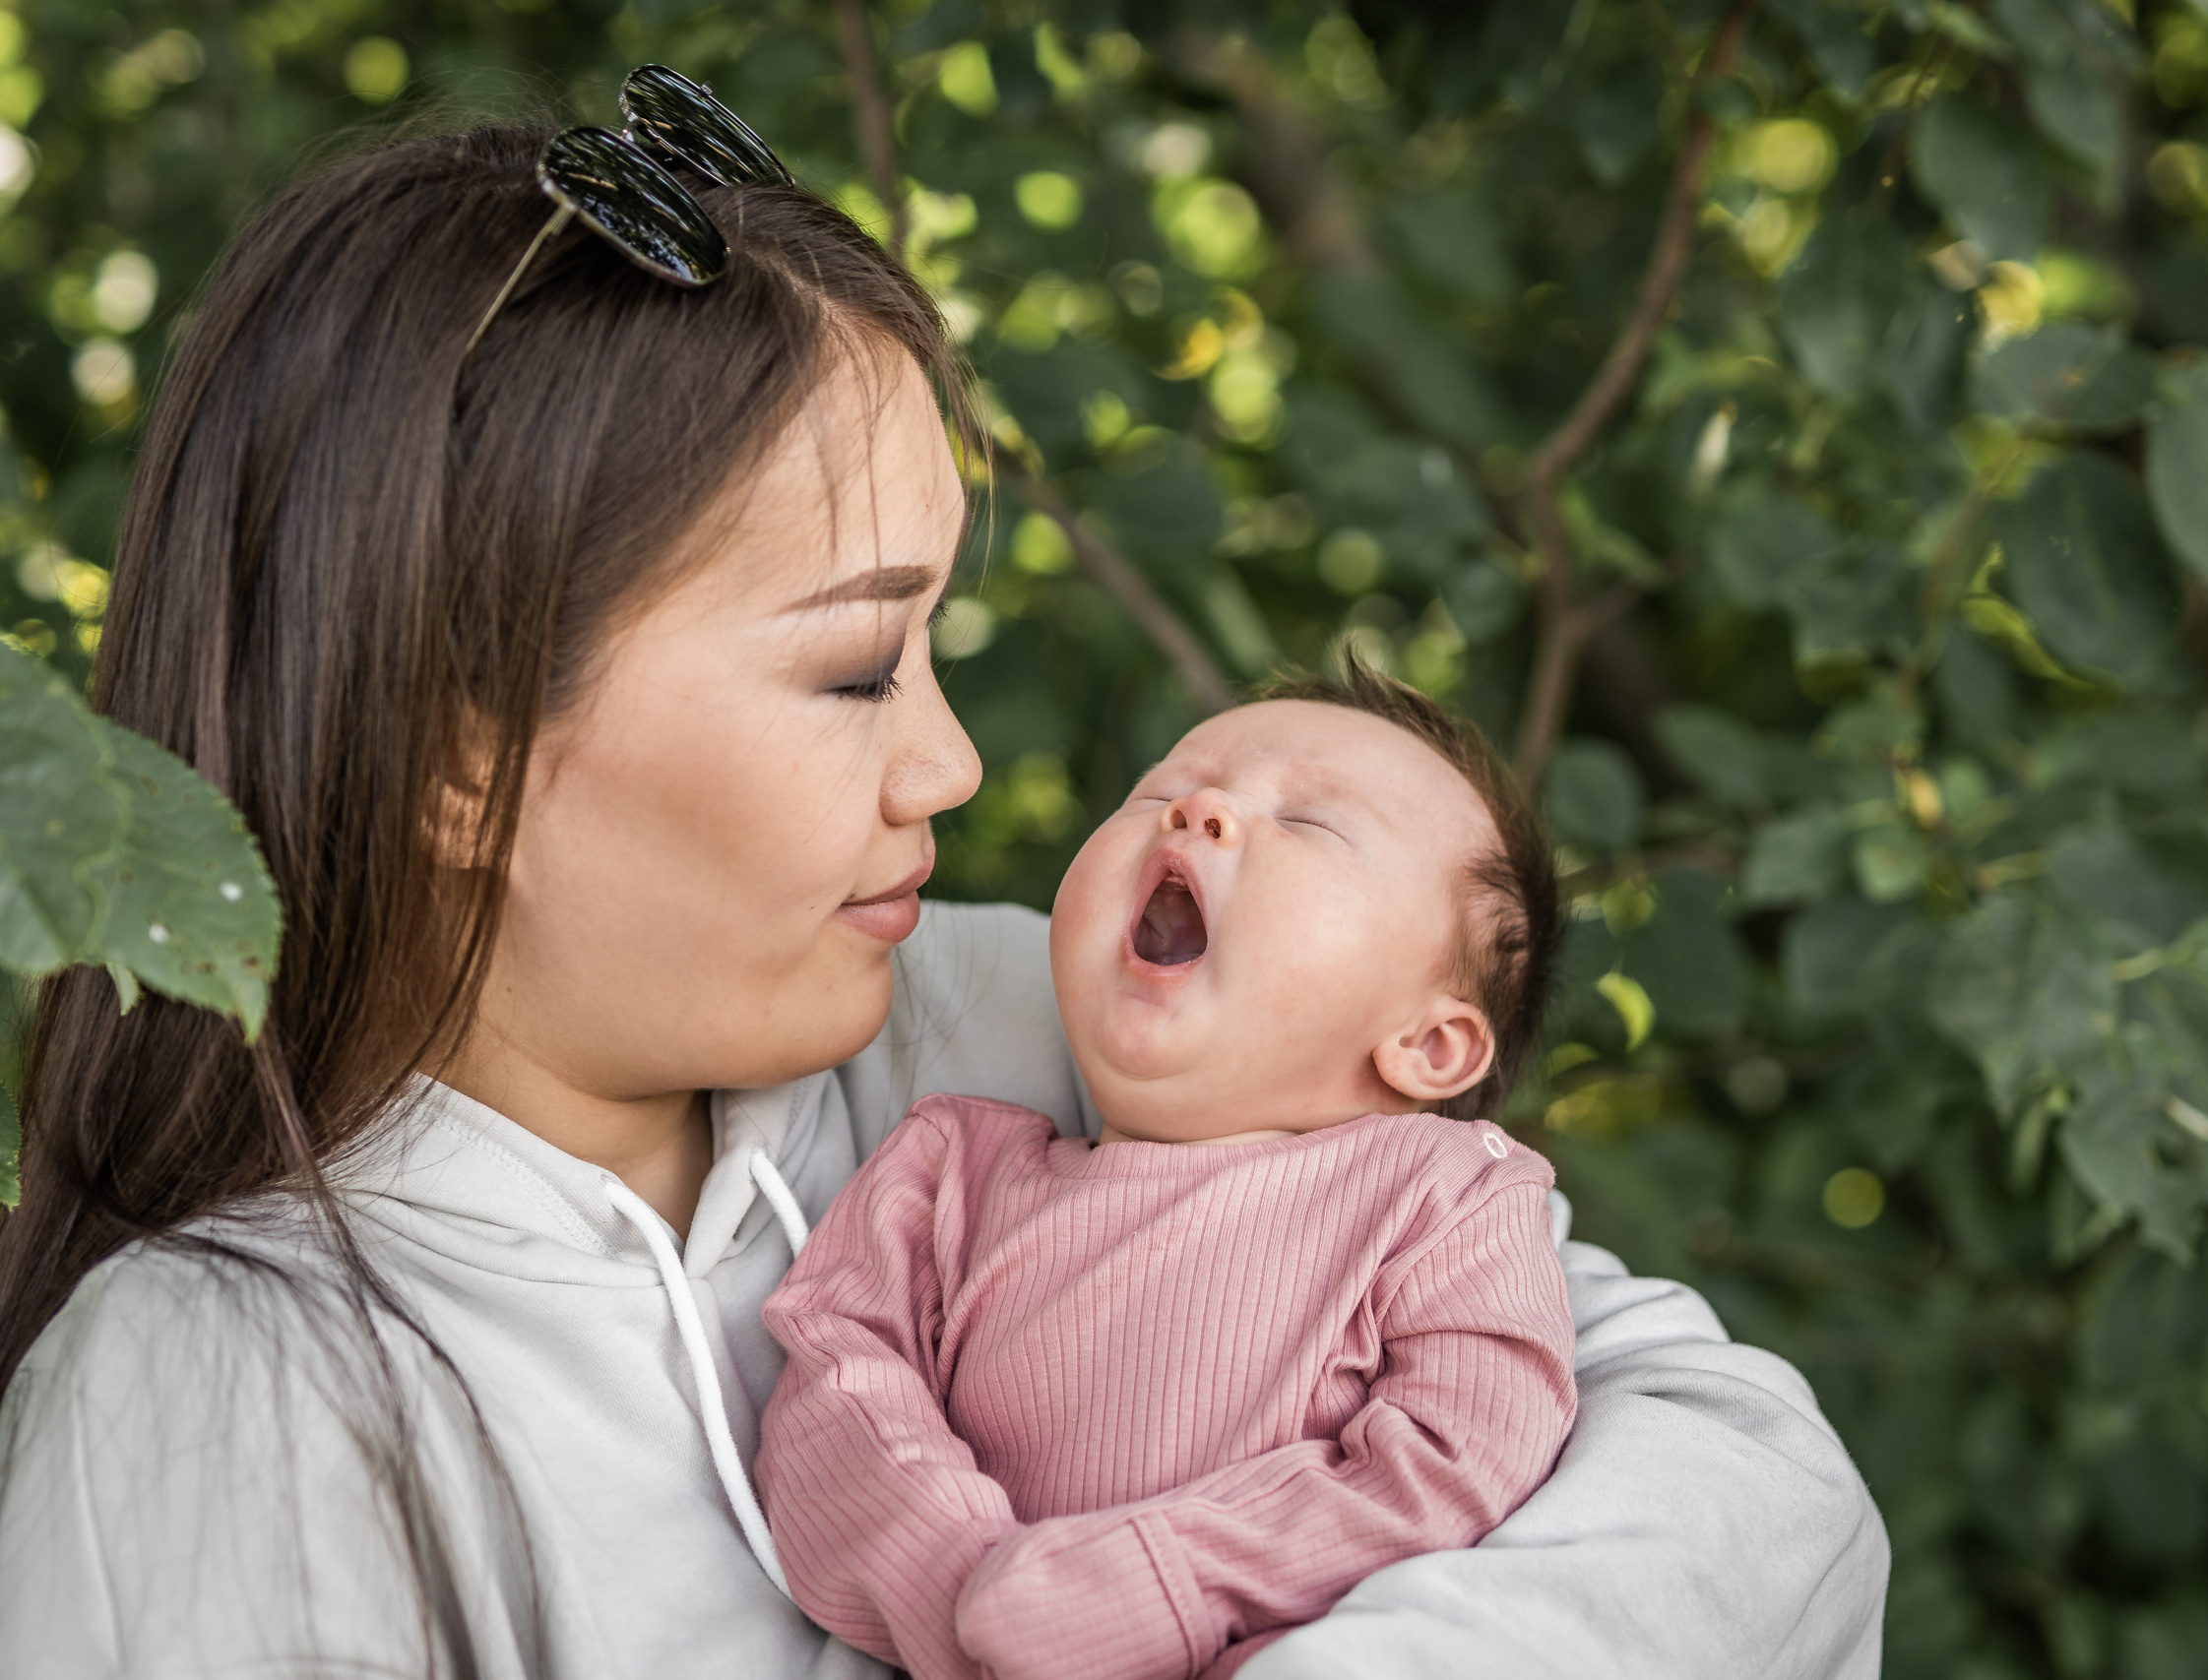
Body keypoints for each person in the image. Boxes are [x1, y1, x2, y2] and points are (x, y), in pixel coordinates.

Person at [0, 96, 1889, 1680]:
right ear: (460, 757)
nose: (954, 766)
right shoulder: (219, 1408)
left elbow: (1754, 1488)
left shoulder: (991, 1031)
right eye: (853, 671)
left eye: (937, 646)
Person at [757, 670, 1579, 1680]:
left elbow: (1464, 1457)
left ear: (1429, 1045)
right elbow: (834, 1410)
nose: (1201, 808)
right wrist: (969, 1585)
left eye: (1311, 825)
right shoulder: (947, 1175)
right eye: (1159, 791)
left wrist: (1173, 1579)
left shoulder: (1441, 1198)